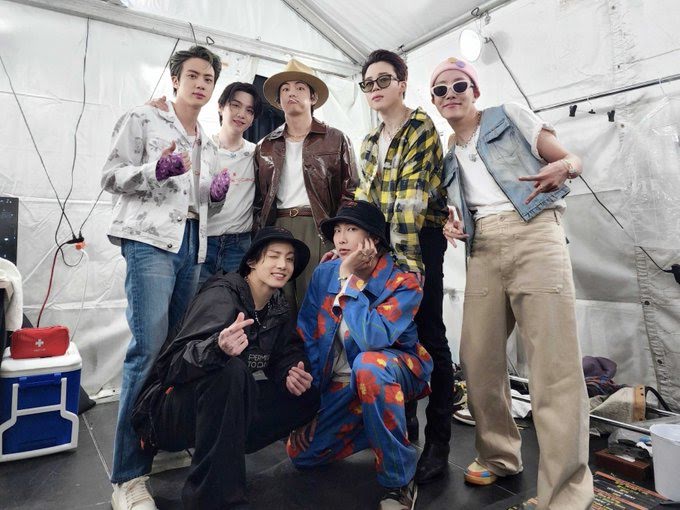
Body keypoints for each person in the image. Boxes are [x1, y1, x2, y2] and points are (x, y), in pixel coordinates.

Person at [430, 56, 593, 509]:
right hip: (483, 246)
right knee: (477, 358)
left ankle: (566, 491)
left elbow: (572, 159)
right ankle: (500, 455)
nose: (450, 94)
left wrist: (564, 168)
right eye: (440, 90)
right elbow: (459, 207)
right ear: (434, 101)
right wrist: (451, 224)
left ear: (475, 90)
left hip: (536, 231)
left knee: (553, 367)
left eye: (459, 85)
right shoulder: (448, 151)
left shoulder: (509, 115)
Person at [101, 45, 232, 510]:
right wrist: (154, 170)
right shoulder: (143, 118)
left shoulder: (207, 141)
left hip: (193, 244)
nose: (201, 84)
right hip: (151, 243)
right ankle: (128, 477)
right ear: (175, 79)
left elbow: (196, 199)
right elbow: (110, 175)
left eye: (208, 78)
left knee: (177, 351)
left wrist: (215, 194)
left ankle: (159, 438)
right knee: (147, 350)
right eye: (193, 75)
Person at [130, 226, 319, 510]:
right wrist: (217, 348)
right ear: (252, 261)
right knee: (230, 372)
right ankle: (214, 501)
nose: (283, 265)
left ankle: (224, 448)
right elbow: (171, 366)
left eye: (289, 259)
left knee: (307, 394)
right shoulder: (222, 296)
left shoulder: (277, 305)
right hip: (164, 413)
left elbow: (285, 352)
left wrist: (290, 372)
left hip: (221, 407)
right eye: (274, 256)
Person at [287, 200, 433, 510]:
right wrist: (313, 402)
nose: (341, 238)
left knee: (369, 366)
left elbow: (371, 340)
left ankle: (399, 480)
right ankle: (378, 424)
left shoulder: (404, 283)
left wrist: (348, 280)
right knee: (301, 455)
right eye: (337, 230)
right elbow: (308, 335)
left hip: (392, 369)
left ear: (373, 239)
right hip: (342, 379)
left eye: (351, 230)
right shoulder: (324, 273)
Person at [355, 49, 453, 482]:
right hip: (385, 250)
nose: (375, 89)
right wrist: (357, 246)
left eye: (384, 80)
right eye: (368, 83)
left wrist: (406, 268)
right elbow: (366, 201)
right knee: (395, 340)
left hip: (419, 245)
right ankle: (405, 433)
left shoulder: (422, 127)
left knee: (430, 334)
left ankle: (439, 441)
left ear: (402, 83)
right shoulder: (368, 142)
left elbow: (410, 203)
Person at [254, 58, 357, 313]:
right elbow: (258, 199)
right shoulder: (265, 146)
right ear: (278, 100)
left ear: (313, 97)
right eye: (285, 88)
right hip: (277, 226)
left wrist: (340, 235)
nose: (292, 93)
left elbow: (351, 191)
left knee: (319, 302)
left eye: (300, 87)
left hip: (319, 226)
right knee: (279, 305)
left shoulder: (336, 139)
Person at [148, 82, 264, 286]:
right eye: (235, 105)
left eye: (249, 110)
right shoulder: (201, 148)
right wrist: (152, 110)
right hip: (203, 240)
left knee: (234, 299)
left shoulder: (257, 154)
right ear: (220, 106)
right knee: (195, 301)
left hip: (239, 244)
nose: (241, 114)